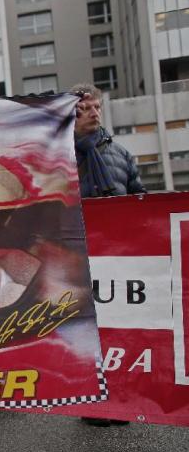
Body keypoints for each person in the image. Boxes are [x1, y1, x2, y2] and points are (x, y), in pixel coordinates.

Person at [72, 82, 146, 427]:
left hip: (118, 258)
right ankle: (93, 401)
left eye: (96, 107)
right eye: (83, 109)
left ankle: (121, 400)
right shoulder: (59, 156)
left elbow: (139, 199)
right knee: (87, 332)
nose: (93, 114)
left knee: (120, 330)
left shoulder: (120, 154)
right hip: (79, 257)